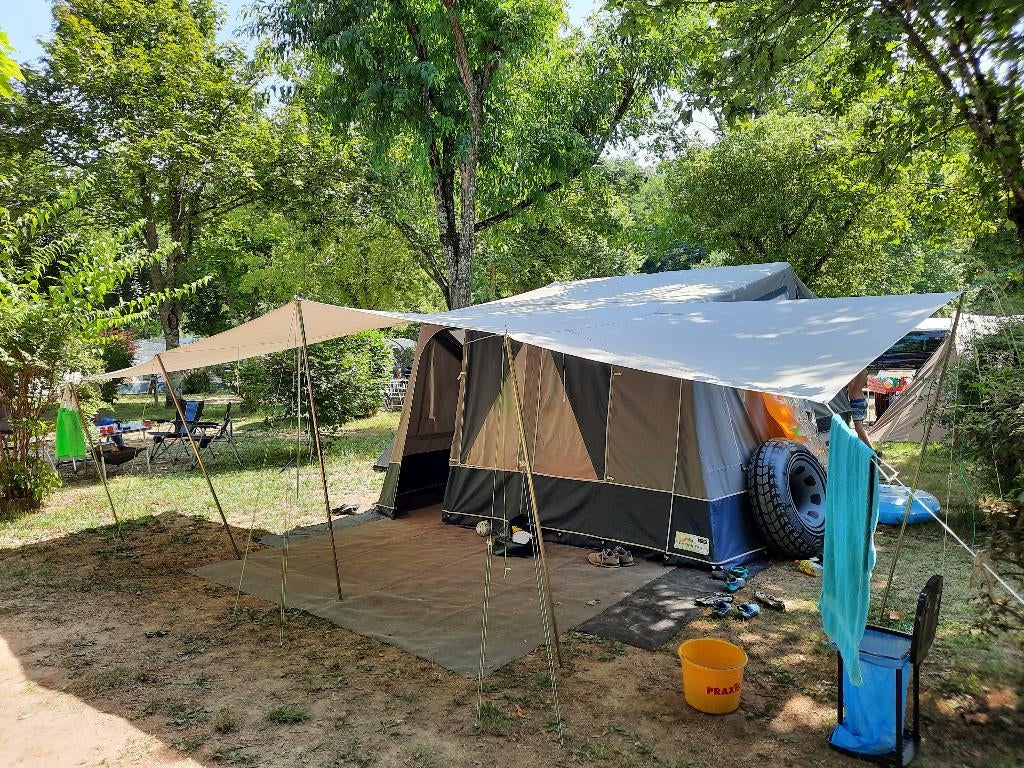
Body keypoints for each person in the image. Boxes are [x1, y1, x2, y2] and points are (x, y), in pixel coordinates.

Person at [847, 368, 873, 449]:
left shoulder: (858, 374)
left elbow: (864, 372)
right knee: (859, 428)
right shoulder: (855, 377)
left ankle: (871, 450)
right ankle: (862, 448)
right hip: (859, 401)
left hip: (857, 402)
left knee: (858, 428)